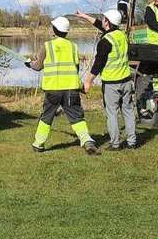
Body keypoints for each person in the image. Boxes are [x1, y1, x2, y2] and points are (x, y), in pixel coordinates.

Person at [25, 16, 98, 155]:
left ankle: (38, 144)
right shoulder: (74, 46)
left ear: (54, 30)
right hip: (71, 88)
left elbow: (38, 66)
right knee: (76, 117)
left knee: (47, 116)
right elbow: (75, 68)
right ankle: (87, 140)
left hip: (53, 89)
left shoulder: (47, 46)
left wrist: (29, 64)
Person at [77, 9, 137, 150]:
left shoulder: (105, 42)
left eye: (104, 19)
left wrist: (88, 81)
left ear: (108, 22)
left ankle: (115, 144)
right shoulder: (121, 35)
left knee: (112, 114)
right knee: (128, 111)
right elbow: (100, 25)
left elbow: (98, 65)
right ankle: (132, 142)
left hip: (112, 84)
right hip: (127, 81)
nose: (102, 21)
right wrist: (84, 15)